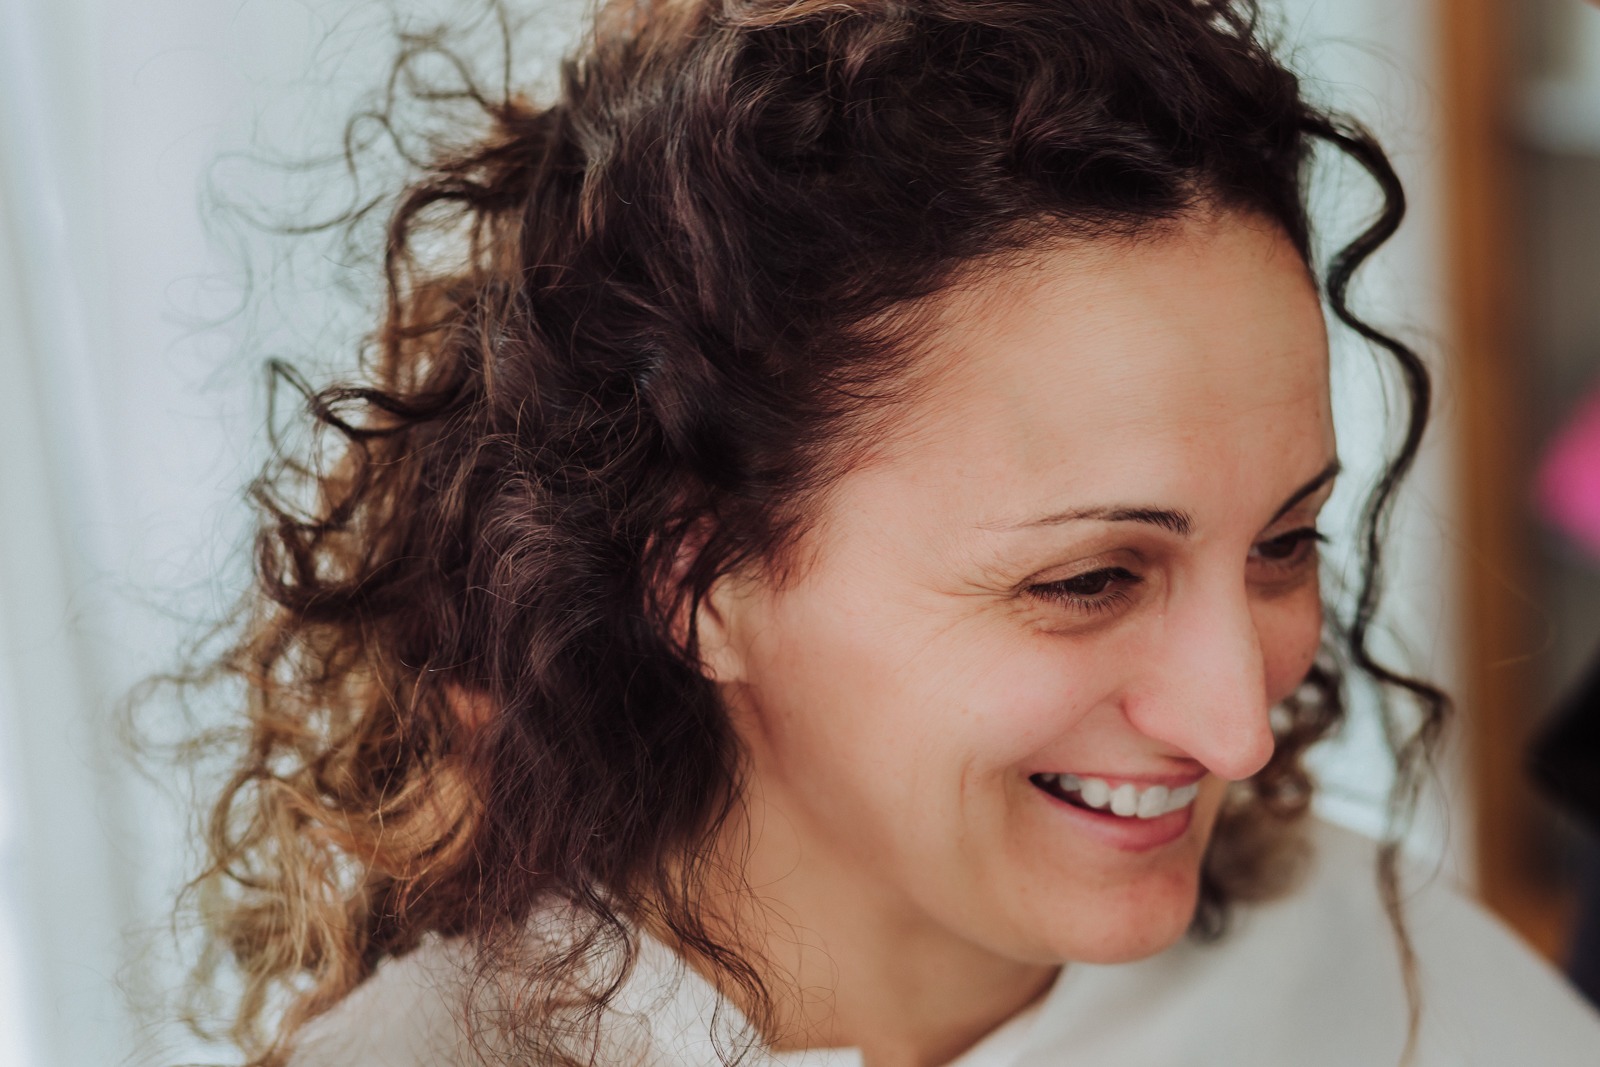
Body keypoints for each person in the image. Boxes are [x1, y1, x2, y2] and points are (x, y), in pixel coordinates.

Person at [179, 1, 1600, 1065]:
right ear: (700, 570)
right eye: (1089, 577)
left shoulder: (1404, 997)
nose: (1239, 728)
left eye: (1283, 544)